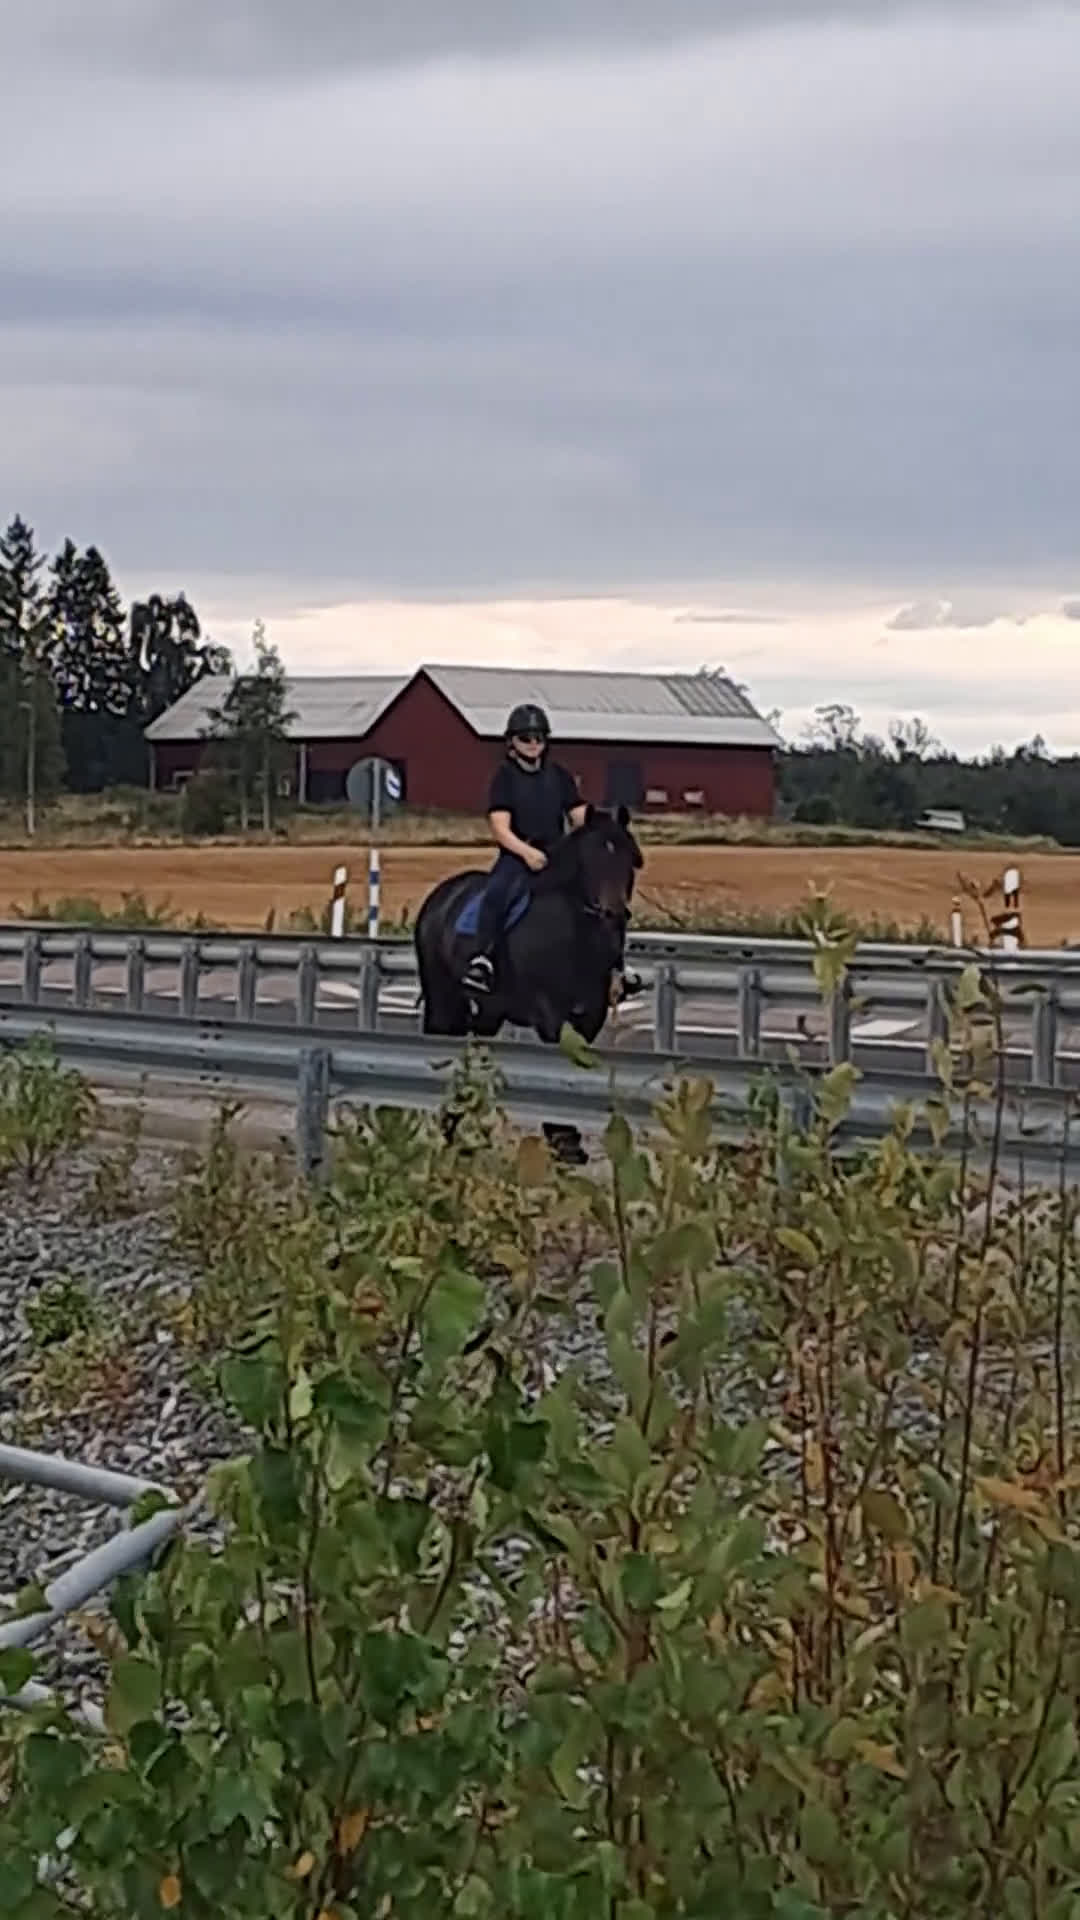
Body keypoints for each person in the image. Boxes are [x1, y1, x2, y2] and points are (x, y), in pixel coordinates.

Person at [461, 703, 640, 999]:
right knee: (497, 893)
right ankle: (483, 959)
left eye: (538, 739)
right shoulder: (504, 778)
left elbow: (577, 812)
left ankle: (616, 965)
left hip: (558, 853)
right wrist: (525, 853)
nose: (533, 745)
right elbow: (500, 827)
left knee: (601, 900)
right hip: (519, 855)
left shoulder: (558, 775)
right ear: (512, 743)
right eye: (526, 738)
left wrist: (604, 820)